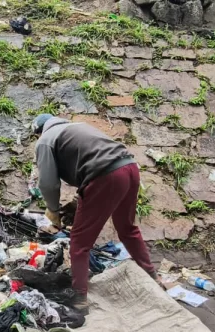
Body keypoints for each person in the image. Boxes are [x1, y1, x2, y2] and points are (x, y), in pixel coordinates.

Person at [31, 114, 158, 314]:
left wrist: (53, 210)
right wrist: (79, 200)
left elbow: (48, 183)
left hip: (104, 175)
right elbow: (92, 160)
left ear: (38, 132)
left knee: (80, 243)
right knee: (128, 229)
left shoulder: (45, 141)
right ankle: (152, 276)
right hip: (129, 167)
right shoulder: (77, 127)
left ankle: (80, 298)